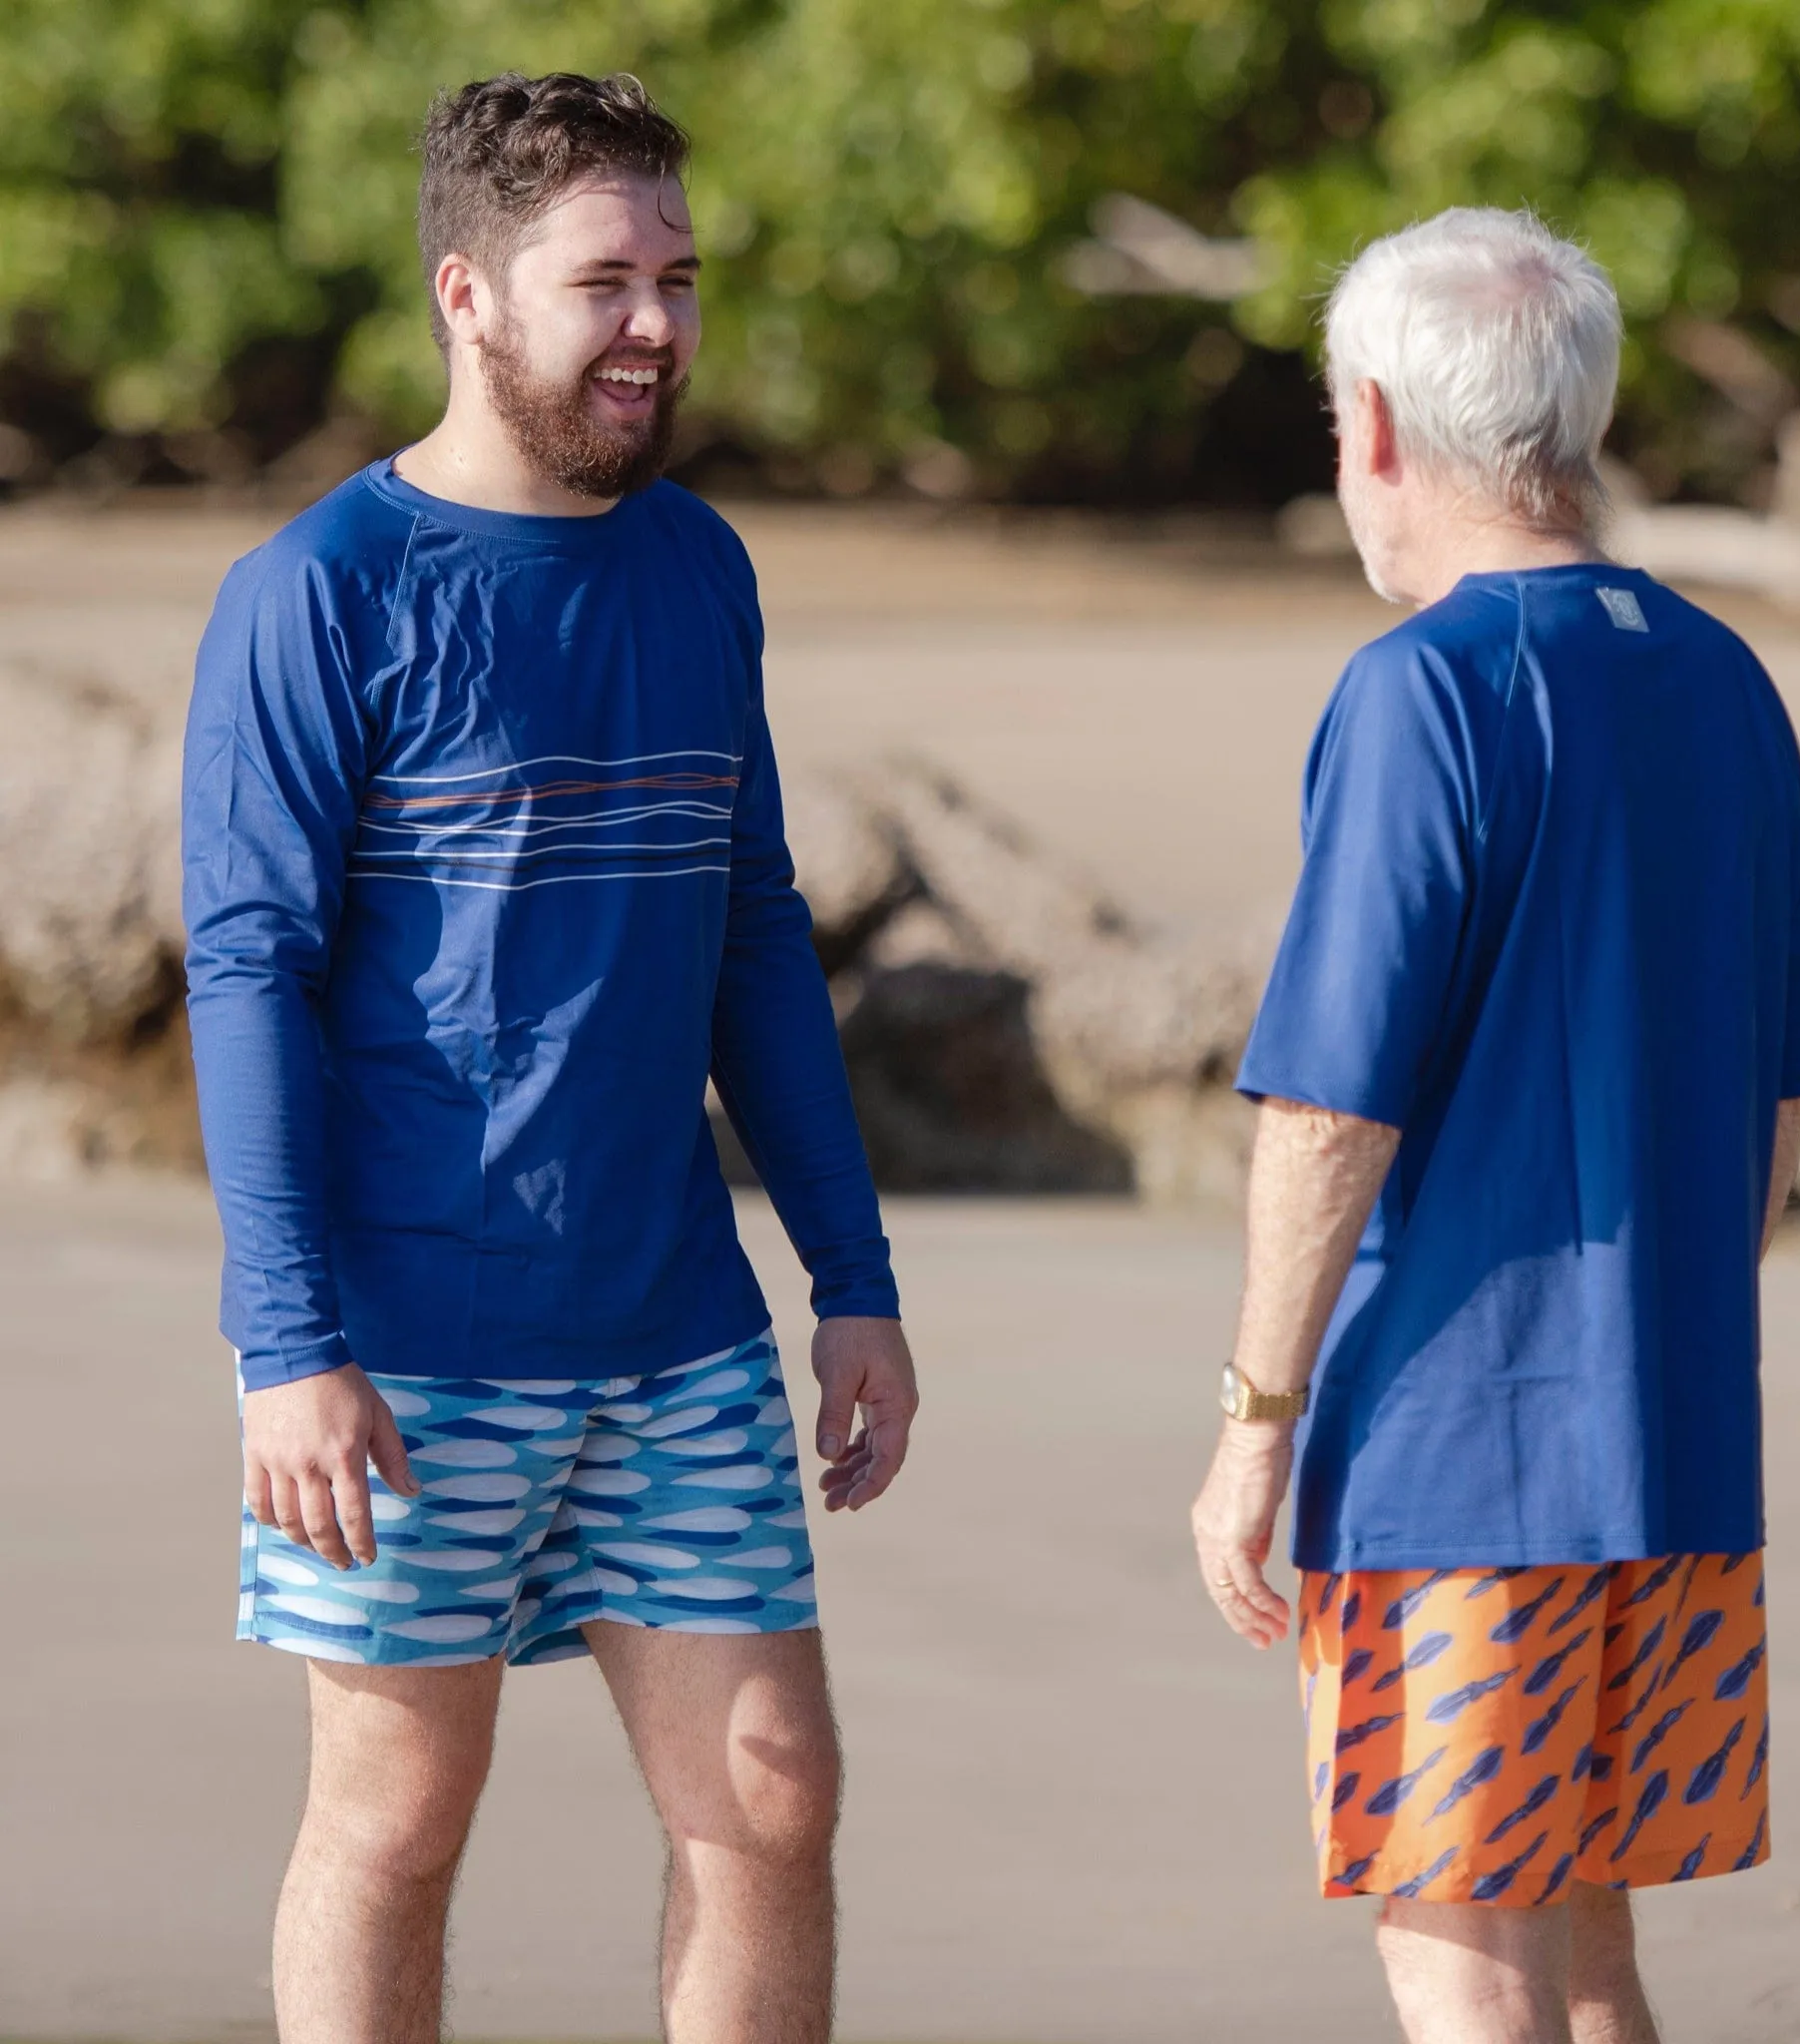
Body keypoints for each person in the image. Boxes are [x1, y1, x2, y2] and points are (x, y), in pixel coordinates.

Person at [182, 72, 917, 2044]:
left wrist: (851, 1280)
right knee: (396, 1817)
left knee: (770, 1795)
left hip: (672, 1325)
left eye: (678, 279)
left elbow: (753, 932)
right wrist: (285, 1344)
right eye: (606, 282)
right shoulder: (318, 594)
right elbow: (246, 971)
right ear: (469, 296)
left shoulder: (697, 568)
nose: (658, 327)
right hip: (403, 1341)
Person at [1189, 208, 1800, 2044]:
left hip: (1459, 1447)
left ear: (1374, 426)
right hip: (1679, 1435)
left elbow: (1328, 1109)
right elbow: (1777, 1102)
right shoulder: (1724, 678)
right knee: (1591, 1936)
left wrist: (1254, 1422)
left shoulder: (1425, 690)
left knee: (1461, 1940)